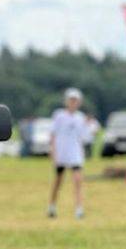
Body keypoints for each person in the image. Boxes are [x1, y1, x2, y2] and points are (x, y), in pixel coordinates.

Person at [48, 88, 87, 219]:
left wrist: (82, 154)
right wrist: (53, 152)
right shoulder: (59, 115)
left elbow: (81, 137)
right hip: (62, 153)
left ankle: (79, 209)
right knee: (58, 181)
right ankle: (52, 206)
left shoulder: (80, 117)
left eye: (75, 100)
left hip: (74, 153)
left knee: (77, 181)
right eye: (71, 100)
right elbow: (53, 134)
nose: (73, 103)